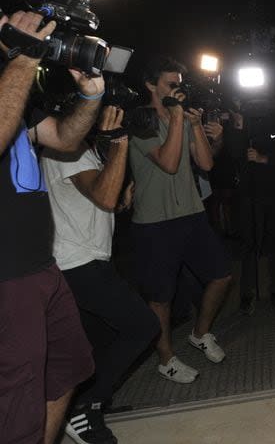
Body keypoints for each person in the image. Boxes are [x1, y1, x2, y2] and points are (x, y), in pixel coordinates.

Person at [0, 10, 101, 444]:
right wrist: (24, 56)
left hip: (42, 266)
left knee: (69, 368)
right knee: (16, 409)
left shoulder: (12, 85)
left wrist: (92, 97)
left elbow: (64, 137)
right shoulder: (14, 76)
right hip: (7, 277)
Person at [41, 106, 159, 444]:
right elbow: (105, 196)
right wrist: (120, 143)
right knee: (143, 325)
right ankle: (84, 406)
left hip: (85, 260)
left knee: (98, 342)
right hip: (75, 263)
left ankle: (84, 408)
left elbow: (102, 203)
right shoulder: (67, 151)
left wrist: (121, 201)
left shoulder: (83, 151)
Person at [129, 56, 232, 384]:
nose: (178, 90)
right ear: (151, 85)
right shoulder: (139, 121)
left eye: (180, 84)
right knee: (161, 297)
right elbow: (170, 163)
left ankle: (200, 333)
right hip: (155, 222)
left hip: (191, 213)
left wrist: (196, 125)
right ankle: (166, 358)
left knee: (222, 274)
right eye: (171, 84)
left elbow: (206, 164)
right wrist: (176, 118)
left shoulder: (183, 118)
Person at [230, 104, 275, 312]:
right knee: (249, 245)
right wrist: (238, 125)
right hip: (250, 195)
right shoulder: (241, 121)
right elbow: (233, 154)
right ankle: (246, 294)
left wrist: (263, 159)